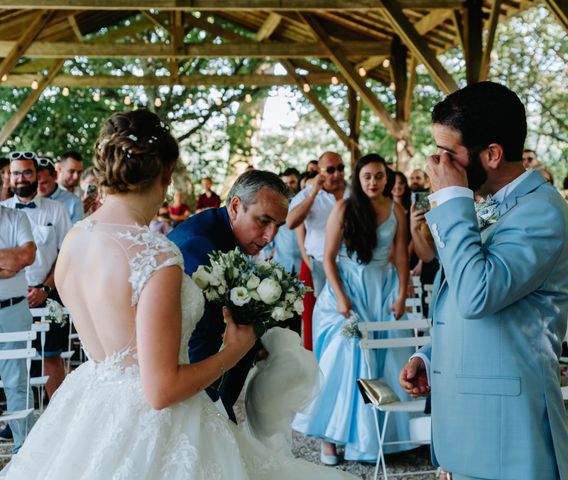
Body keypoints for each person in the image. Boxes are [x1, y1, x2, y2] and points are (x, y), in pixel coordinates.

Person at [0, 109, 356, 480]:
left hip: (90, 409)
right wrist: (234, 350)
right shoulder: (157, 256)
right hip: (156, 428)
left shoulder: (74, 240)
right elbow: (160, 390)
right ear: (167, 173)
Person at [400, 81, 568, 480]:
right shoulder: (486, 204)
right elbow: (465, 296)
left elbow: (479, 294)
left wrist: (451, 201)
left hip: (507, 433)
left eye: (449, 153)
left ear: (492, 154)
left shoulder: (541, 211)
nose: (436, 164)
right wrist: (430, 355)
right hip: (467, 427)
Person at [293, 154, 416, 464]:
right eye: (367, 177)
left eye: (378, 176)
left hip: (382, 288)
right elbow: (330, 257)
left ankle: (378, 438)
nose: (373, 182)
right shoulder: (344, 209)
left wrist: (401, 294)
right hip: (347, 286)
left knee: (386, 359)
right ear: (358, 180)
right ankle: (330, 439)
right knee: (343, 361)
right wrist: (340, 297)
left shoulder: (397, 210)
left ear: (386, 178)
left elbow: (401, 256)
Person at [169, 169, 290, 421]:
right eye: (263, 221)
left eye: (277, 226)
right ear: (235, 206)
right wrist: (213, 412)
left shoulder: (221, 231)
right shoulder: (200, 247)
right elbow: (198, 335)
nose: (270, 236)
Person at [1, 152, 72, 401]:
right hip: (12, 298)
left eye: (27, 172)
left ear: (37, 175)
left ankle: (57, 416)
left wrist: (44, 288)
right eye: (16, 173)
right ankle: (20, 422)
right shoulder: (4, 212)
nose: (21, 178)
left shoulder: (57, 210)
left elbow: (65, 255)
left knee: (50, 355)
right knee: (14, 359)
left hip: (48, 294)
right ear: (10, 176)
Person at [287, 152, 348, 295]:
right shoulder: (306, 194)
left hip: (352, 263)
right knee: (325, 311)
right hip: (320, 264)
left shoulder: (354, 192)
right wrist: (313, 194)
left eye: (340, 168)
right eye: (331, 170)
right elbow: (291, 223)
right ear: (320, 172)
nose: (337, 174)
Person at [0, 205, 36, 452]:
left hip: (13, 309)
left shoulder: (16, 217)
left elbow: (27, 256)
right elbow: (16, 259)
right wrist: (8, 263)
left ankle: (24, 451)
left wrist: (18, 260)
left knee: (17, 382)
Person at [37, 156, 84, 223]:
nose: (39, 189)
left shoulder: (74, 202)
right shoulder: (25, 200)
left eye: (44, 183)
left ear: (55, 175)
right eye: (35, 184)